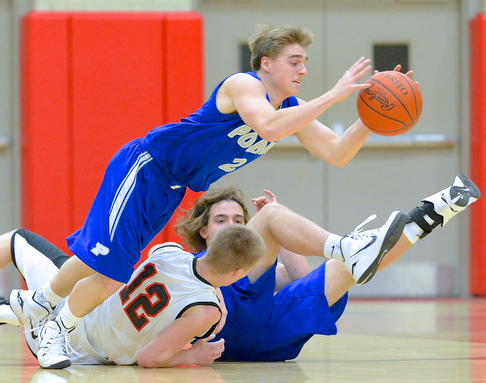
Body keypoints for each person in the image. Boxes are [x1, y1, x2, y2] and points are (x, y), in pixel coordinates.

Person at [11, 23, 412, 369]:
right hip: (146, 165)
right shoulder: (244, 85)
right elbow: (270, 128)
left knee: (103, 264)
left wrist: (371, 114)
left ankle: (40, 309)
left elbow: (337, 153)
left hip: (173, 184)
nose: (303, 69)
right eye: (294, 61)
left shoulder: (293, 108)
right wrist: (333, 96)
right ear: (266, 63)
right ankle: (49, 322)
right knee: (109, 265)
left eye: (305, 61)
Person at [174, 174, 480, 361]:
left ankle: (434, 212)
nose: (232, 226)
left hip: (268, 341)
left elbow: (302, 279)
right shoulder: (187, 267)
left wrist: (279, 231)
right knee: (279, 221)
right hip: (220, 334)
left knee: (345, 269)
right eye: (221, 220)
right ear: (203, 230)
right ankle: (349, 245)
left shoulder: (256, 267)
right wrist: (271, 220)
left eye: (239, 221)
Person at [1, 224, 265, 368]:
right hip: (76, 353)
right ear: (239, 272)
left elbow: (188, 274)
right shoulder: (206, 311)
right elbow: (149, 358)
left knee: (18, 238)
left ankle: (22, 311)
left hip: (71, 318)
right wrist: (192, 356)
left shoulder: (169, 250)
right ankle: (18, 313)